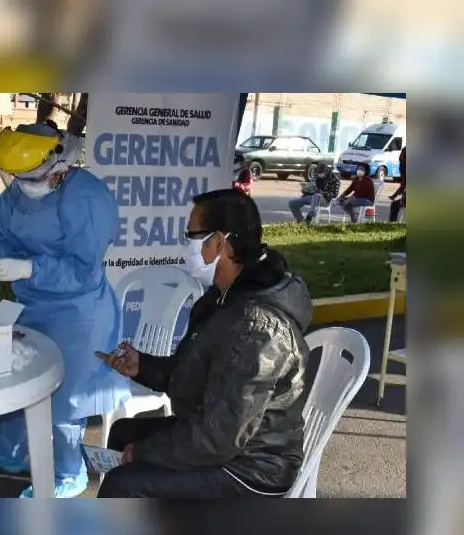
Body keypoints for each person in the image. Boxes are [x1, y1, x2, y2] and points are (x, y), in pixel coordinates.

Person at [95, 188, 312, 498]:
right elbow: (196, 376)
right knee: (123, 433)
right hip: (222, 438)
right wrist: (142, 366)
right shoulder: (224, 297)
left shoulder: (257, 329)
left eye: (192, 237)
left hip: (252, 467)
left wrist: (144, 453)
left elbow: (220, 437)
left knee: (124, 483)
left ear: (219, 242)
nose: (187, 246)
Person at [0, 123, 131, 498]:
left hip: (78, 313)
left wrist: (30, 268)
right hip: (31, 305)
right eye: (17, 177)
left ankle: (69, 471)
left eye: (31, 177)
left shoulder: (87, 197)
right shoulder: (19, 189)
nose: (23, 185)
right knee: (18, 378)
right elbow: (1, 230)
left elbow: (84, 270)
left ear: (58, 162)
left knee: (63, 397)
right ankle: (10, 450)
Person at [389, 146, 406, 222]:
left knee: (394, 205)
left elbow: (403, 185)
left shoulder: (404, 165)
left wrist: (395, 196)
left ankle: (392, 224)